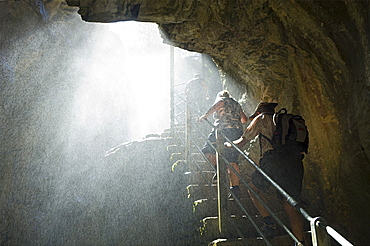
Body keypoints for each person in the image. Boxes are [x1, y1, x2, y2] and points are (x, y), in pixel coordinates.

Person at [231, 102, 307, 245]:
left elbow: (242, 142)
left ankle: (269, 223)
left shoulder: (261, 119)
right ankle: (301, 242)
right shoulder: (284, 122)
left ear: (259, 112)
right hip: (294, 162)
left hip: (273, 161)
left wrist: (227, 144)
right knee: (289, 201)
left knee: (254, 188)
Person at [198, 90, 248, 199]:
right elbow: (244, 120)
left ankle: (218, 170)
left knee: (207, 150)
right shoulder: (236, 104)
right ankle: (235, 189)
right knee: (232, 160)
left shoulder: (222, 100)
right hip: (237, 132)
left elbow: (219, 104)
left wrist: (205, 115)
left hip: (223, 130)